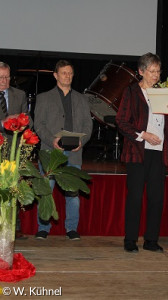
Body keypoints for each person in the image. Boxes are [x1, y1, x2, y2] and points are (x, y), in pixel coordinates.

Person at [116, 52, 168, 253]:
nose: (156, 75)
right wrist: (143, 135)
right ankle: (130, 241)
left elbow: (166, 125)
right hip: (138, 151)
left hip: (158, 152)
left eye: (158, 71)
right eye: (151, 71)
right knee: (135, 198)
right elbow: (121, 122)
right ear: (141, 71)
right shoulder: (131, 92)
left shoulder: (163, 92)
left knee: (157, 198)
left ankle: (151, 240)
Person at [34, 60, 92, 240]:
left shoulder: (81, 99)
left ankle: (71, 228)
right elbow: (39, 125)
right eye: (64, 73)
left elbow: (88, 125)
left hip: (74, 152)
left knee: (73, 194)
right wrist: (53, 140)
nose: (68, 76)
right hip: (51, 152)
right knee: (46, 191)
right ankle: (43, 228)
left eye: (70, 73)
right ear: (55, 75)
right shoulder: (44, 97)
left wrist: (82, 140)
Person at [0, 61, 33, 240]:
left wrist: (19, 122)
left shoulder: (19, 95)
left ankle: (14, 226)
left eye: (7, 77)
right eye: (1, 78)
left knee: (14, 188)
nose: (4, 81)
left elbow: (29, 121)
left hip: (14, 149)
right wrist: (5, 122)